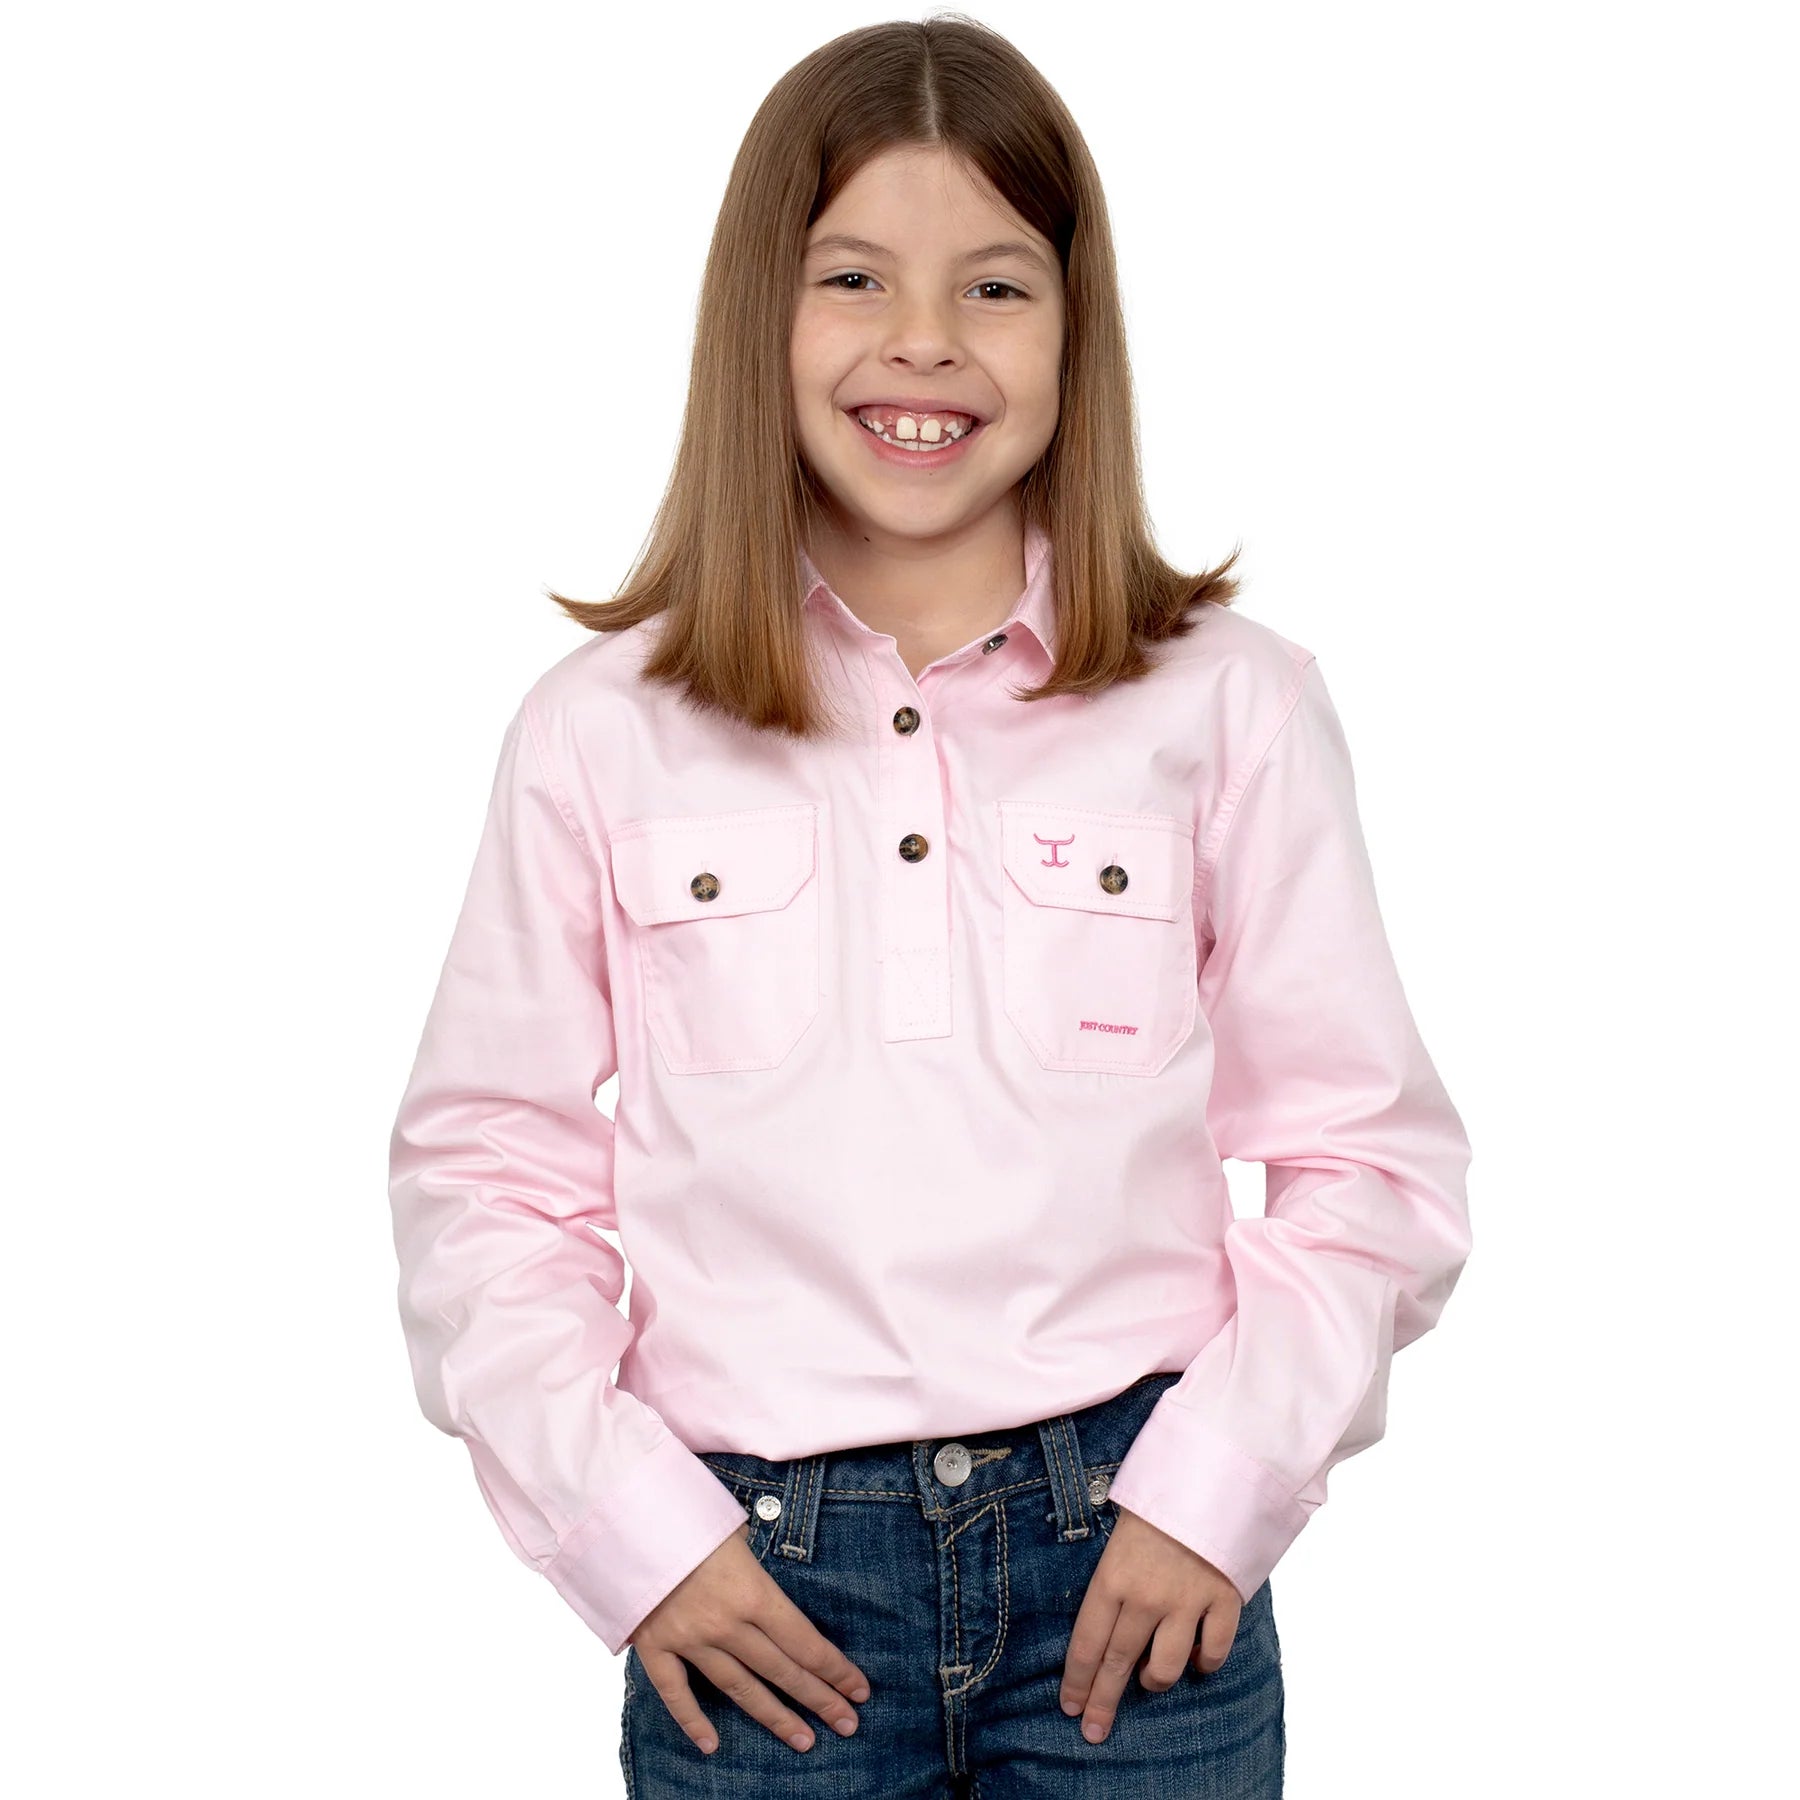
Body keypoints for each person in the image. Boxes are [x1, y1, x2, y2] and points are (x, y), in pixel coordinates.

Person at [386, 16, 1473, 1796]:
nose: (924, 341)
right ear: (761, 314)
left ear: (1075, 326)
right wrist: (627, 1529)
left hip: (1134, 1576)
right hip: (759, 1589)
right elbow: (485, 1175)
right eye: (854, 278)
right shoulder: (601, 733)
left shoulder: (1230, 704)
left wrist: (1219, 1492)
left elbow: (1370, 1161)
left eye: (994, 285)